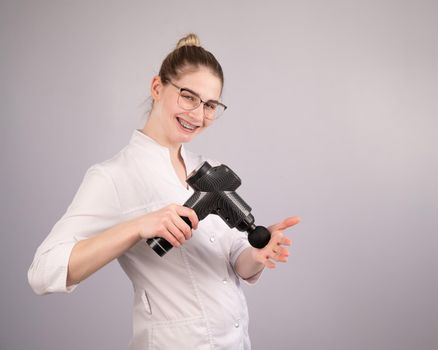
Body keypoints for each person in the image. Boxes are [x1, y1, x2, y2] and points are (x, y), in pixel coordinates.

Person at [28, 33, 300, 350]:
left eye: (210, 105)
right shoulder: (115, 177)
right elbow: (43, 272)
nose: (198, 115)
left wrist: (258, 253)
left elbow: (234, 259)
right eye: (188, 97)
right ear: (157, 87)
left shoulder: (211, 170)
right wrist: (137, 226)